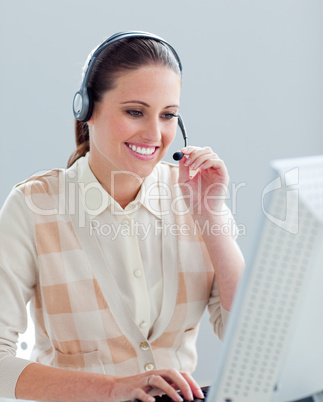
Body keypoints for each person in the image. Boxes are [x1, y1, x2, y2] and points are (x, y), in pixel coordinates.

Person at [0, 32, 245, 401]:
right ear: (87, 111)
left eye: (168, 116)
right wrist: (113, 390)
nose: (154, 133)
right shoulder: (33, 206)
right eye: (135, 111)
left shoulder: (192, 196)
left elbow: (251, 337)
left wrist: (211, 217)